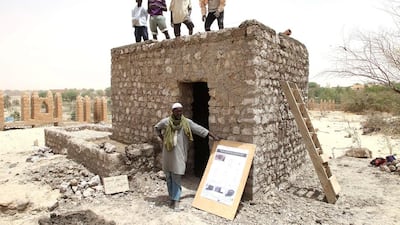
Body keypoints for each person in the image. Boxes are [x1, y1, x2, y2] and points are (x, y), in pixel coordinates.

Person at [154, 103, 219, 211]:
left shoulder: (186, 123)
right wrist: (163, 138)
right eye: (177, 111)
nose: (179, 113)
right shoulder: (166, 122)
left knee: (177, 176)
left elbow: (199, 129)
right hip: (168, 154)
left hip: (179, 154)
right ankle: (172, 197)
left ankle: (176, 201)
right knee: (169, 177)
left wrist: (213, 136)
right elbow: (157, 128)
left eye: (181, 111)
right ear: (173, 111)